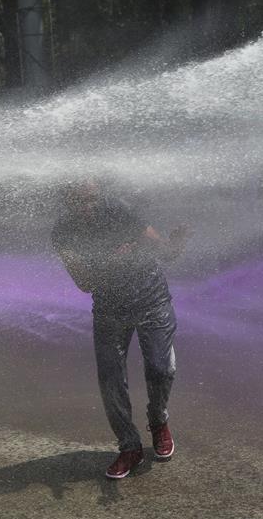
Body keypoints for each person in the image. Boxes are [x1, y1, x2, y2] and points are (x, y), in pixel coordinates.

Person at [52, 178, 189, 479]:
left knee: (161, 368)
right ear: (66, 200)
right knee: (111, 380)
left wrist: (177, 242)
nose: (89, 207)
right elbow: (85, 283)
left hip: (152, 300)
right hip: (110, 310)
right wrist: (111, 262)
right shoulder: (63, 233)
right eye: (80, 201)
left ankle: (158, 418)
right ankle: (129, 446)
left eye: (92, 199)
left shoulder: (120, 210)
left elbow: (166, 253)